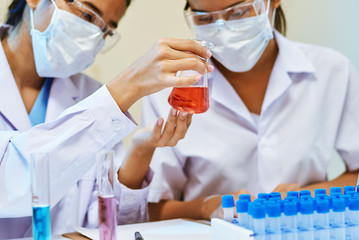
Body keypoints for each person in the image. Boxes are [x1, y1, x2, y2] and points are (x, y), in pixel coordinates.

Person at [0, 0, 213, 237]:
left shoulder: (88, 95)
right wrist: (130, 83)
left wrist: (141, 151)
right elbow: (10, 184)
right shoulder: (106, 103)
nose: (93, 38)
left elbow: (110, 224)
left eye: (106, 30)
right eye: (88, 16)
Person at [142, 0, 359, 221]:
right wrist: (205, 207)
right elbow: (149, 208)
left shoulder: (332, 70)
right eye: (204, 18)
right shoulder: (169, 91)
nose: (222, 30)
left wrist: (307, 197)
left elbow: (358, 173)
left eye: (238, 12)